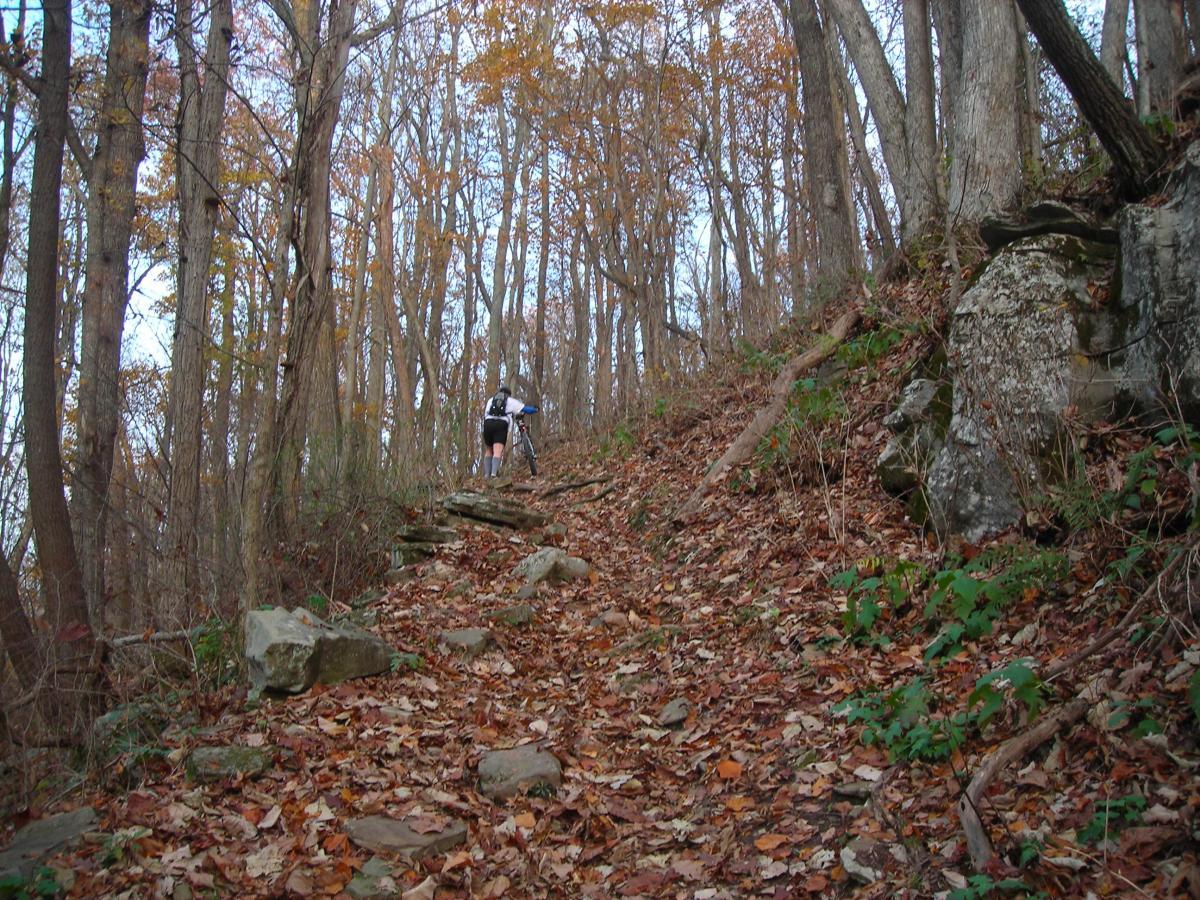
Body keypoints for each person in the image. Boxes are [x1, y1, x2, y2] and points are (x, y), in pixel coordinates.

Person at [482, 383, 538, 478]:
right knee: (497, 450)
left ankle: (486, 475)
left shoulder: (491, 400)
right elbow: (526, 409)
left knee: (489, 449)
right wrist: (535, 409)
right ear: (508, 394)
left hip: (488, 424)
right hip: (501, 424)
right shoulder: (510, 400)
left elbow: (486, 413)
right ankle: (493, 474)